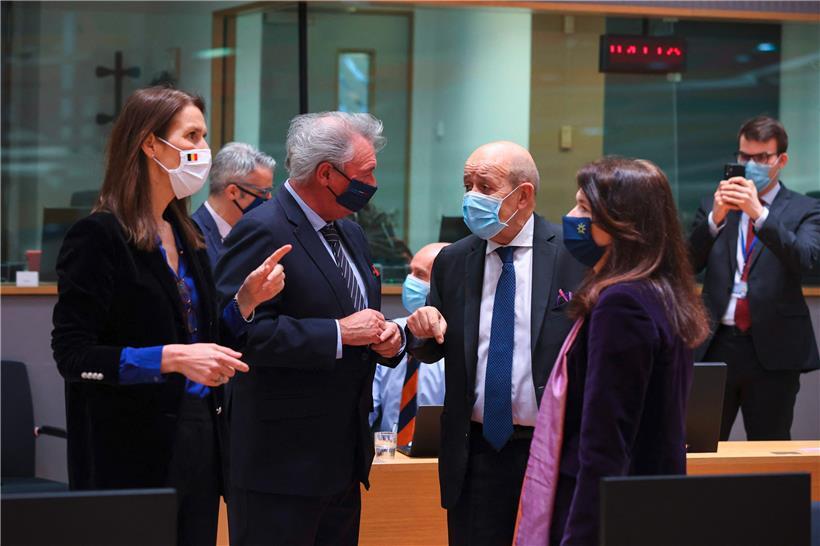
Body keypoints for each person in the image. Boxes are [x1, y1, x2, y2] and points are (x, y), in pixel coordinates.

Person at [51, 86, 290, 546]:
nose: (204, 151)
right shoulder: (98, 235)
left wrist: (245, 301)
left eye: (205, 137)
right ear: (149, 143)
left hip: (200, 437)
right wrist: (169, 358)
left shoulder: (187, 234)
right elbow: (73, 354)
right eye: (193, 136)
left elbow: (209, 340)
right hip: (127, 450)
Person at [215, 111, 404, 546]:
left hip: (341, 457)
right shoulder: (262, 229)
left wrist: (384, 339)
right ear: (326, 174)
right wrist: (339, 333)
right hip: (281, 466)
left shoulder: (351, 233)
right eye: (367, 172)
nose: (374, 184)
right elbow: (240, 338)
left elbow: (358, 318)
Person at [516, 156, 710, 546]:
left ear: (623, 222)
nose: (571, 217)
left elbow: (605, 439)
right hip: (652, 498)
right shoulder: (664, 292)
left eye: (584, 209)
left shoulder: (622, 303)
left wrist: (583, 534)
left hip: (609, 510)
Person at [406, 141, 586, 546]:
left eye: (484, 186)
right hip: (477, 450)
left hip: (551, 448)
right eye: (467, 184)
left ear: (523, 195)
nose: (471, 197)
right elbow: (433, 344)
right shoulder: (453, 260)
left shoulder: (573, 256)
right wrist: (421, 327)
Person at [689, 116, 820, 440]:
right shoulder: (713, 204)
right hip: (716, 343)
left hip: (774, 348)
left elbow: (806, 259)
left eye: (762, 158)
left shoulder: (806, 209)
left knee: (770, 445)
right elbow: (687, 264)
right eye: (745, 157)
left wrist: (759, 214)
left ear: (781, 160)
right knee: (700, 443)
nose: (752, 165)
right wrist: (714, 221)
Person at [370, 242, 449, 437]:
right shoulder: (392, 333)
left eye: (420, 275)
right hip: (388, 455)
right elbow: (369, 406)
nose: (410, 281)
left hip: (441, 457)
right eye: (410, 272)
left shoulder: (463, 340)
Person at [192, 142, 276, 267]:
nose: (269, 199)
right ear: (233, 192)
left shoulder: (254, 234)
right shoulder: (192, 236)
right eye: (263, 192)